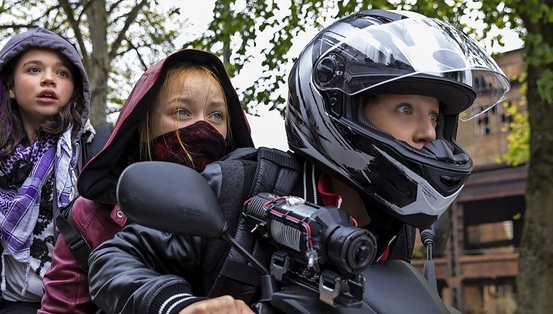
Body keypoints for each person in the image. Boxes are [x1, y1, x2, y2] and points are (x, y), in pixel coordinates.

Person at [87, 9, 510, 314]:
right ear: (341, 109)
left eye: (435, 116)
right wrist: (180, 306)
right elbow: (113, 262)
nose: (429, 133)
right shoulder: (245, 183)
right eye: (405, 109)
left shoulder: (393, 227)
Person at [38, 49, 255, 313]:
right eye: (182, 112)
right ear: (143, 122)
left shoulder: (250, 211)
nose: (203, 127)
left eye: (216, 116)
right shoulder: (88, 218)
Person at [0, 28, 91, 313]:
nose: (49, 78)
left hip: (71, 305)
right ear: (10, 87)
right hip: (2, 303)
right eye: (34, 69)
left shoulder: (89, 151)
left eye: (63, 74)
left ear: (75, 89)